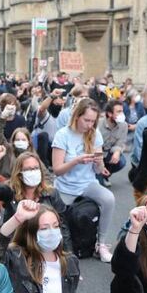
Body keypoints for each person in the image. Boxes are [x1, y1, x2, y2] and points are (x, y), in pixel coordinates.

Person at [52, 99, 115, 262]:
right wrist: (76, 161)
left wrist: (99, 162)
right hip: (65, 186)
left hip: (87, 183)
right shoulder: (62, 135)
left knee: (109, 199)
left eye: (93, 121)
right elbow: (57, 170)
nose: (90, 125)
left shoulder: (95, 134)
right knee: (58, 219)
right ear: (76, 116)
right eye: (86, 120)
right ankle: (61, 250)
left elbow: (98, 171)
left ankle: (101, 244)